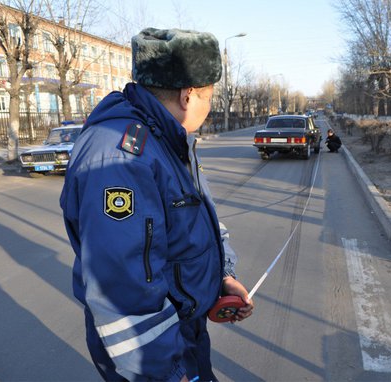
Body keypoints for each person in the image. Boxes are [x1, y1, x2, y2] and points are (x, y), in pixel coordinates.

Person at [60, 28, 254, 382]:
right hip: (158, 354)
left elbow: (195, 224)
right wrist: (165, 372)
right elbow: (120, 286)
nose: (209, 109)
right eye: (209, 97)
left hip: (184, 333)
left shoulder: (168, 139)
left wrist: (221, 276)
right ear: (188, 94)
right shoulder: (120, 156)